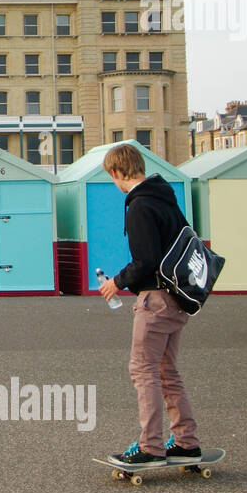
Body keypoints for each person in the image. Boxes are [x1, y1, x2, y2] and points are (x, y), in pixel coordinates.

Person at [97, 144, 202, 468]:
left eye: (110, 176)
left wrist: (116, 281)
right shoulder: (165, 198)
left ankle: (151, 445)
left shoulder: (140, 206)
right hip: (178, 299)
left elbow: (146, 261)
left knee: (143, 371)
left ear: (116, 172)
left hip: (155, 301)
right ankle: (185, 442)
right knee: (166, 371)